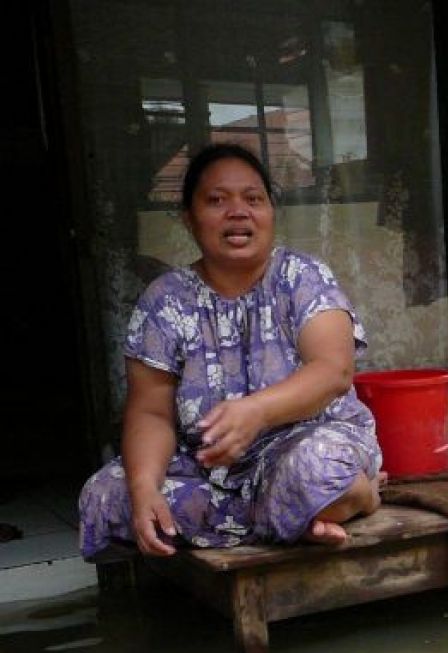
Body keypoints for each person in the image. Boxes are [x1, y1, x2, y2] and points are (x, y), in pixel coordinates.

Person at [79, 143, 384, 560]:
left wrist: (256, 411)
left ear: (270, 212)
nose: (238, 212)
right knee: (108, 496)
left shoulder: (302, 277)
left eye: (253, 199)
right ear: (189, 219)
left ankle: (355, 495)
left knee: (316, 470)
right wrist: (145, 488)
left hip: (301, 447)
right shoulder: (165, 301)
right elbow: (151, 412)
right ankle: (290, 518)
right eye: (217, 200)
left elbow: (333, 370)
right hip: (207, 471)